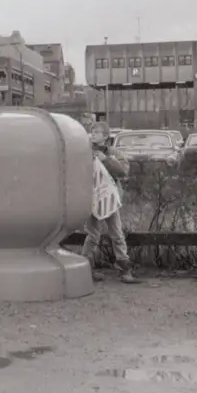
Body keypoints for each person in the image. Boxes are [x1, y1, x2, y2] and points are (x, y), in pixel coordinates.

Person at [82, 121, 139, 284]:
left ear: (106, 136)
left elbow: (123, 171)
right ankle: (86, 268)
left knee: (117, 234)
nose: (93, 134)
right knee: (92, 234)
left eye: (97, 132)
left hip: (109, 199)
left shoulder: (114, 153)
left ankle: (124, 269)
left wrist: (106, 160)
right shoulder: (84, 151)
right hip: (91, 198)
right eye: (92, 131)